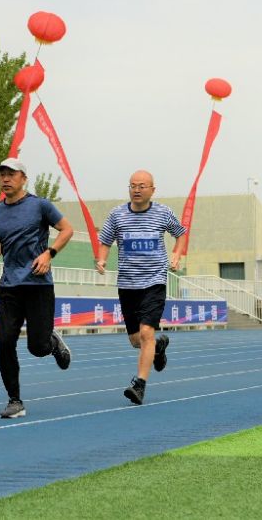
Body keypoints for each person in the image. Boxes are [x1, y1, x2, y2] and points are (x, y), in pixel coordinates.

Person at [0, 158, 74, 419]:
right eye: (2, 174)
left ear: (23, 178)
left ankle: (52, 342)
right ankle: (15, 400)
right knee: (5, 343)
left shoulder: (40, 205)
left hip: (38, 285)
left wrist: (49, 254)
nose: (5, 178)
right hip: (10, 286)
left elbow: (67, 230)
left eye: (11, 174)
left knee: (36, 347)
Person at [96, 170, 187, 405]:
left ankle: (139, 385)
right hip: (127, 284)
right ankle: (158, 347)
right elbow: (105, 240)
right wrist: (102, 259)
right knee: (137, 341)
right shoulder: (117, 214)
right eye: (132, 185)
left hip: (154, 281)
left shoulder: (163, 212)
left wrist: (176, 255)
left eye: (142, 186)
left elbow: (181, 234)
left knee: (147, 333)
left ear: (152, 190)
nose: (136, 190)